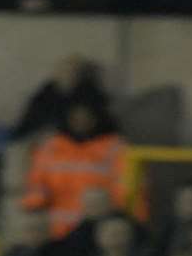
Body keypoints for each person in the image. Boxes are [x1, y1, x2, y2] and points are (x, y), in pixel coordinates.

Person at [20, 101, 128, 239]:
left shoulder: (114, 146)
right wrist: (33, 210)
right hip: (55, 231)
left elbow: (122, 189)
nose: (81, 122)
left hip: (98, 231)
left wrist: (120, 219)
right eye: (75, 118)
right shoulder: (52, 146)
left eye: (86, 117)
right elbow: (36, 185)